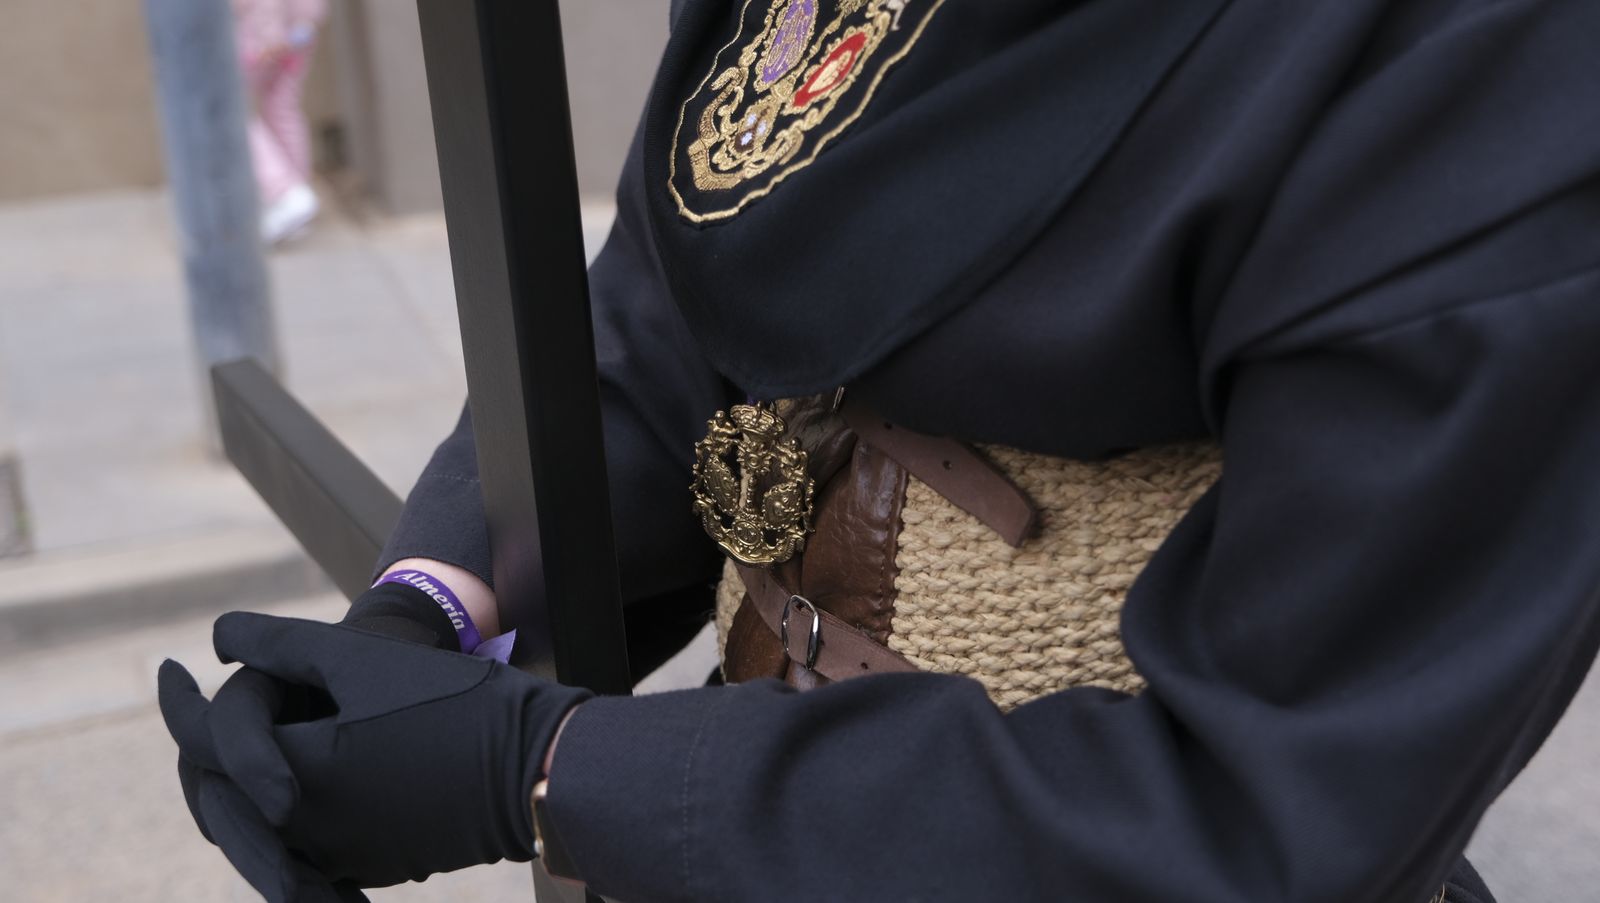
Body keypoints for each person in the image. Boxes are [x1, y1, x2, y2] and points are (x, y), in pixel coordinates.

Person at [160, 1, 1600, 900]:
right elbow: (692, 318)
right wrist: (446, 599)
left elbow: (1265, 807)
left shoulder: (1477, 65)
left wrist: (546, 769)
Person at [233, 0, 327, 245]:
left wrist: (270, 35)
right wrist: (304, 26)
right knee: (282, 111)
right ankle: (296, 195)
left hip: (263, 34)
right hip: (298, 28)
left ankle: (284, 192)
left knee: (229, 112)